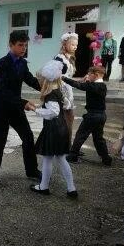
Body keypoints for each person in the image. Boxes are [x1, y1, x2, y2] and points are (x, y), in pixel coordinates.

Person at [0, 31, 42, 190]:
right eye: (20, 45)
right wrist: (23, 102)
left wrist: (46, 89)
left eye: (25, 45)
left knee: (28, 137)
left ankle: (31, 170)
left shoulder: (22, 63)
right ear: (11, 45)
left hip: (15, 108)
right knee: (0, 143)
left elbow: (30, 80)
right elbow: (2, 91)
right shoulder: (2, 63)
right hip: (1, 108)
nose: (23, 48)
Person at [29, 60, 77, 198]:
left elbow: (53, 112)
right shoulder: (59, 89)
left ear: (46, 80)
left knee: (48, 159)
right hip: (61, 127)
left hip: (53, 129)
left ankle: (44, 187)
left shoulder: (50, 94)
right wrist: (40, 107)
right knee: (61, 159)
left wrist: (35, 110)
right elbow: (62, 106)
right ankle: (71, 188)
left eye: (41, 79)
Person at [63, 66, 112, 166]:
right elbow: (87, 86)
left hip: (92, 116)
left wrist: (64, 78)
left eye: (90, 74)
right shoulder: (102, 86)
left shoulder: (95, 86)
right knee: (98, 138)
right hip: (101, 115)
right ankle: (106, 158)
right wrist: (88, 81)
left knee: (81, 135)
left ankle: (72, 155)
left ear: (96, 75)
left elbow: (78, 85)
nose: (87, 76)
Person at [54, 32, 78, 144]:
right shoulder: (59, 58)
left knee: (70, 118)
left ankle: (67, 144)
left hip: (68, 89)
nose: (75, 47)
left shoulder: (70, 58)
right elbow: (56, 76)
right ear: (65, 44)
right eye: (72, 44)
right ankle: (63, 144)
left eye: (76, 45)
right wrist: (61, 94)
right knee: (64, 118)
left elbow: (68, 76)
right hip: (61, 90)